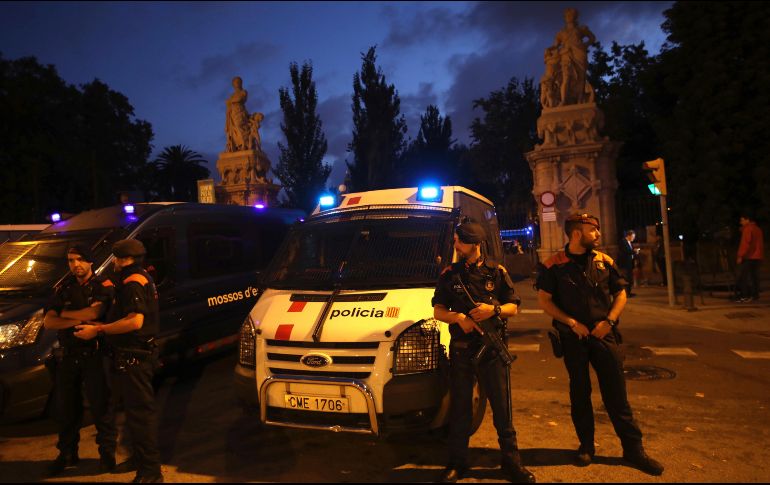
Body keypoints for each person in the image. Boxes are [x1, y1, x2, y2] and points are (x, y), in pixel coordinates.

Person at [536, 213, 663, 476]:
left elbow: (621, 293)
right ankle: (586, 446)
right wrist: (571, 323)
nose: (598, 234)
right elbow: (545, 301)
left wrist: (610, 321)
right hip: (574, 338)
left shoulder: (604, 261)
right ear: (576, 234)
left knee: (617, 395)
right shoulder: (553, 266)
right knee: (579, 394)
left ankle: (633, 450)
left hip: (604, 334)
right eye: (593, 230)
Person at [432, 221, 535, 483]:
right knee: (460, 410)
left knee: (502, 409)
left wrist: (494, 310)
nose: (455, 245)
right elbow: (438, 311)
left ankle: (511, 463)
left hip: (492, 351)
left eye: (459, 241)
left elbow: (514, 306)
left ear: (474, 244)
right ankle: (457, 463)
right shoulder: (449, 275)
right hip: (462, 352)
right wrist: (459, 319)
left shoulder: (496, 272)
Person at [74, 239, 163, 483]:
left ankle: (151, 472)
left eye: (115, 257)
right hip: (129, 357)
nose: (113, 261)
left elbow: (135, 322)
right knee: (134, 416)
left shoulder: (132, 281)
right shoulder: (139, 276)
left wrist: (99, 330)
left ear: (123, 259)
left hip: (135, 358)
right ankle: (141, 459)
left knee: (140, 416)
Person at [42, 245, 118, 476]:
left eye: (80, 260)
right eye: (71, 261)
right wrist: (76, 317)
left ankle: (107, 455)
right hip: (68, 357)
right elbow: (49, 322)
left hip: (95, 355)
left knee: (101, 408)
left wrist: (64, 315)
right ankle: (66, 454)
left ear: (91, 262)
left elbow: (94, 314)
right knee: (67, 409)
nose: (75, 265)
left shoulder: (103, 286)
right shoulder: (63, 288)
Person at [552, 8, 596, 105]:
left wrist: (585, 45)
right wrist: (549, 51)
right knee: (566, 77)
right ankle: (564, 100)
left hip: (579, 54)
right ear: (565, 18)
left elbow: (592, 38)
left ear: (575, 17)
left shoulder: (581, 29)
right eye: (567, 16)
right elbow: (555, 46)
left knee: (581, 77)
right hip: (566, 55)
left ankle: (580, 99)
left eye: (571, 15)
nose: (569, 17)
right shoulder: (561, 32)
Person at [736, 214, 764, 302]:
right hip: (758, 256)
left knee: (744, 277)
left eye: (742, 220)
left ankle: (745, 296)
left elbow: (746, 244)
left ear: (747, 220)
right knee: (754, 277)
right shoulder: (758, 229)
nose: (741, 222)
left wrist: (740, 255)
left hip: (749, 256)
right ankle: (755, 295)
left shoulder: (748, 229)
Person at [225, 76, 250, 152]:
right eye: (235, 82)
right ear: (233, 84)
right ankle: (236, 146)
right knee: (233, 130)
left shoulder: (243, 92)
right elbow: (228, 104)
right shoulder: (232, 95)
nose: (237, 83)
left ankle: (244, 144)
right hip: (232, 113)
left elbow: (240, 99)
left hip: (240, 111)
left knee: (239, 126)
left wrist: (230, 101)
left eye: (239, 82)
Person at [618, 230, 637, 297]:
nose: (633, 238)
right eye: (633, 236)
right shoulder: (623, 242)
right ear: (628, 236)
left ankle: (628, 292)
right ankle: (626, 293)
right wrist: (634, 251)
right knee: (626, 279)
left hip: (630, 263)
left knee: (630, 279)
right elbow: (626, 251)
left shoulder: (629, 242)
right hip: (625, 264)